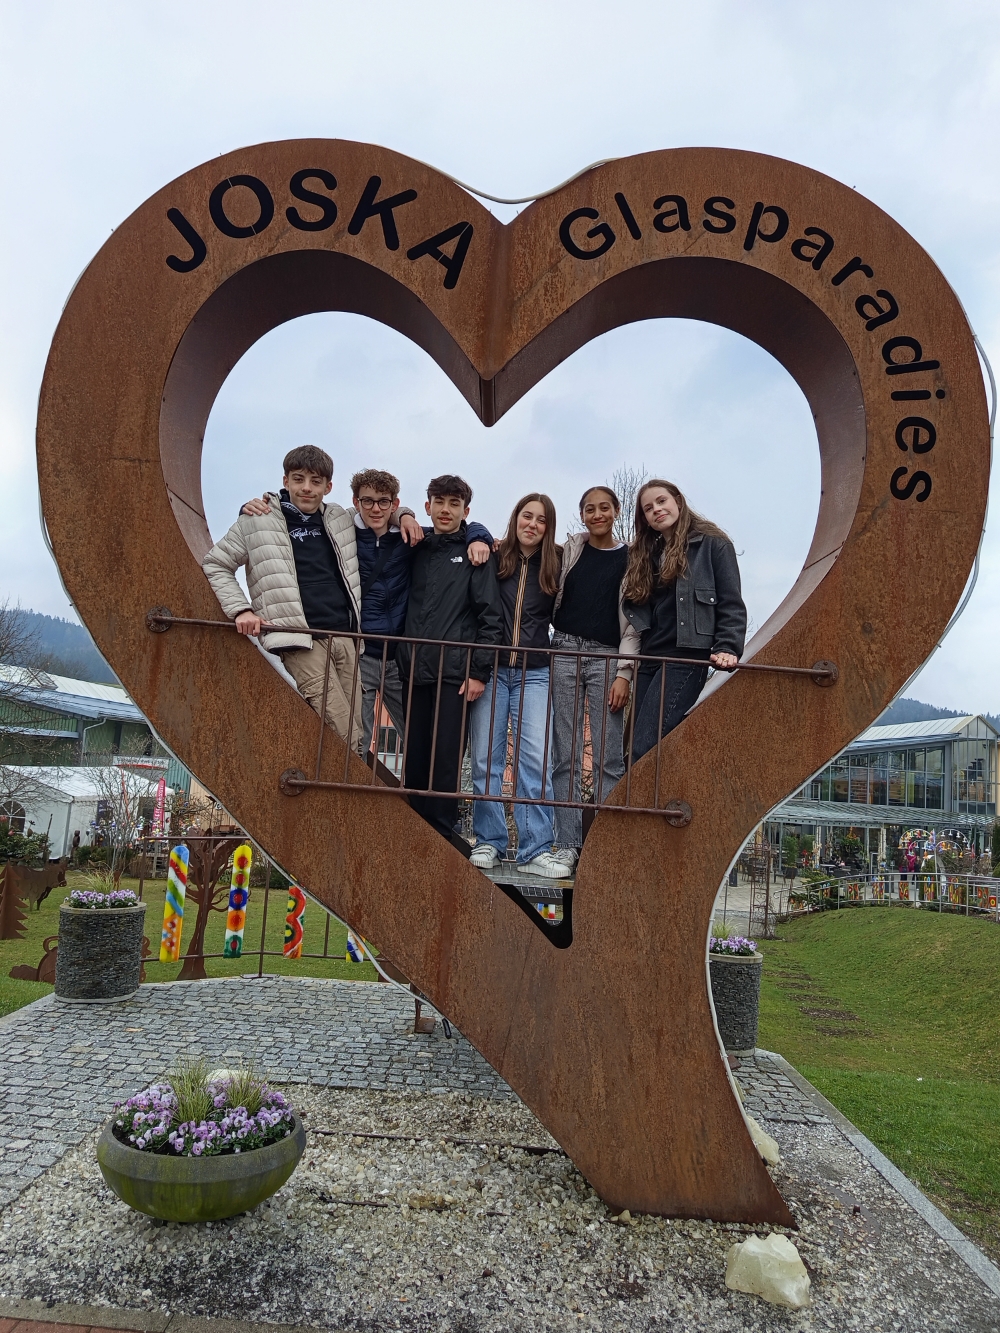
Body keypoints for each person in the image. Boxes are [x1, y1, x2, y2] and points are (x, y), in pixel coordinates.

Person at [239, 471, 493, 758]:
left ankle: (415, 788)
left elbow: (453, 533)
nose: (375, 509)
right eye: (368, 501)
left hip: (399, 657)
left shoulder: (411, 539)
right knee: (358, 736)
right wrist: (257, 510)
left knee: (421, 739)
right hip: (361, 653)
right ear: (355, 501)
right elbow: (299, 520)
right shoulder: (342, 534)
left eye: (383, 502)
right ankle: (354, 784)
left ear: (394, 504)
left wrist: (479, 535)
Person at [203, 445, 364, 747]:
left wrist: (405, 515)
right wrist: (240, 610)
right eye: (298, 479)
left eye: (316, 481)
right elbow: (216, 564)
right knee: (341, 732)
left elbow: (379, 512)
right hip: (300, 640)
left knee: (355, 730)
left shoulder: (339, 519)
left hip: (345, 637)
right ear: (285, 481)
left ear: (328, 487)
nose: (307, 488)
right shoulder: (257, 519)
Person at [395, 475, 502, 848]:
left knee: (446, 758)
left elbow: (491, 617)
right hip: (413, 668)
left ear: (465, 510)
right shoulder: (417, 546)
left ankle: (440, 835)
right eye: (439, 502)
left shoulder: (476, 553)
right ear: (427, 506)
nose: (445, 510)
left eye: (454, 503)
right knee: (415, 755)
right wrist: (403, 515)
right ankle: (413, 831)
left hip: (455, 672)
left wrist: (479, 672)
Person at [468, 494, 566, 878]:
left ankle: (534, 849)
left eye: (541, 520)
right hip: (492, 671)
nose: (533, 525)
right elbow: (470, 532)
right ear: (516, 518)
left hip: (535, 673)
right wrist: (479, 535)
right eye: (527, 516)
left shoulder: (555, 564)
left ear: (548, 527)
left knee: (535, 762)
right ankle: (490, 840)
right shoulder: (496, 555)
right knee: (484, 759)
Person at [620, 480, 746, 762]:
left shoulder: (712, 543)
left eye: (661, 501)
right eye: (648, 508)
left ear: (677, 501)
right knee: (633, 751)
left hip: (685, 657)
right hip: (650, 659)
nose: (656, 510)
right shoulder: (648, 555)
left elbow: (731, 601)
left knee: (646, 746)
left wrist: (727, 646)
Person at [548, 486, 633, 872]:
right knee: (564, 754)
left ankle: (607, 848)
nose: (597, 514)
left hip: (607, 657)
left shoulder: (631, 558)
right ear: (582, 514)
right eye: (589, 509)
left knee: (608, 757)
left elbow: (634, 622)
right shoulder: (571, 550)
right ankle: (567, 844)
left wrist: (624, 673)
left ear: (616, 511)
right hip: (564, 650)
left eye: (604, 508)